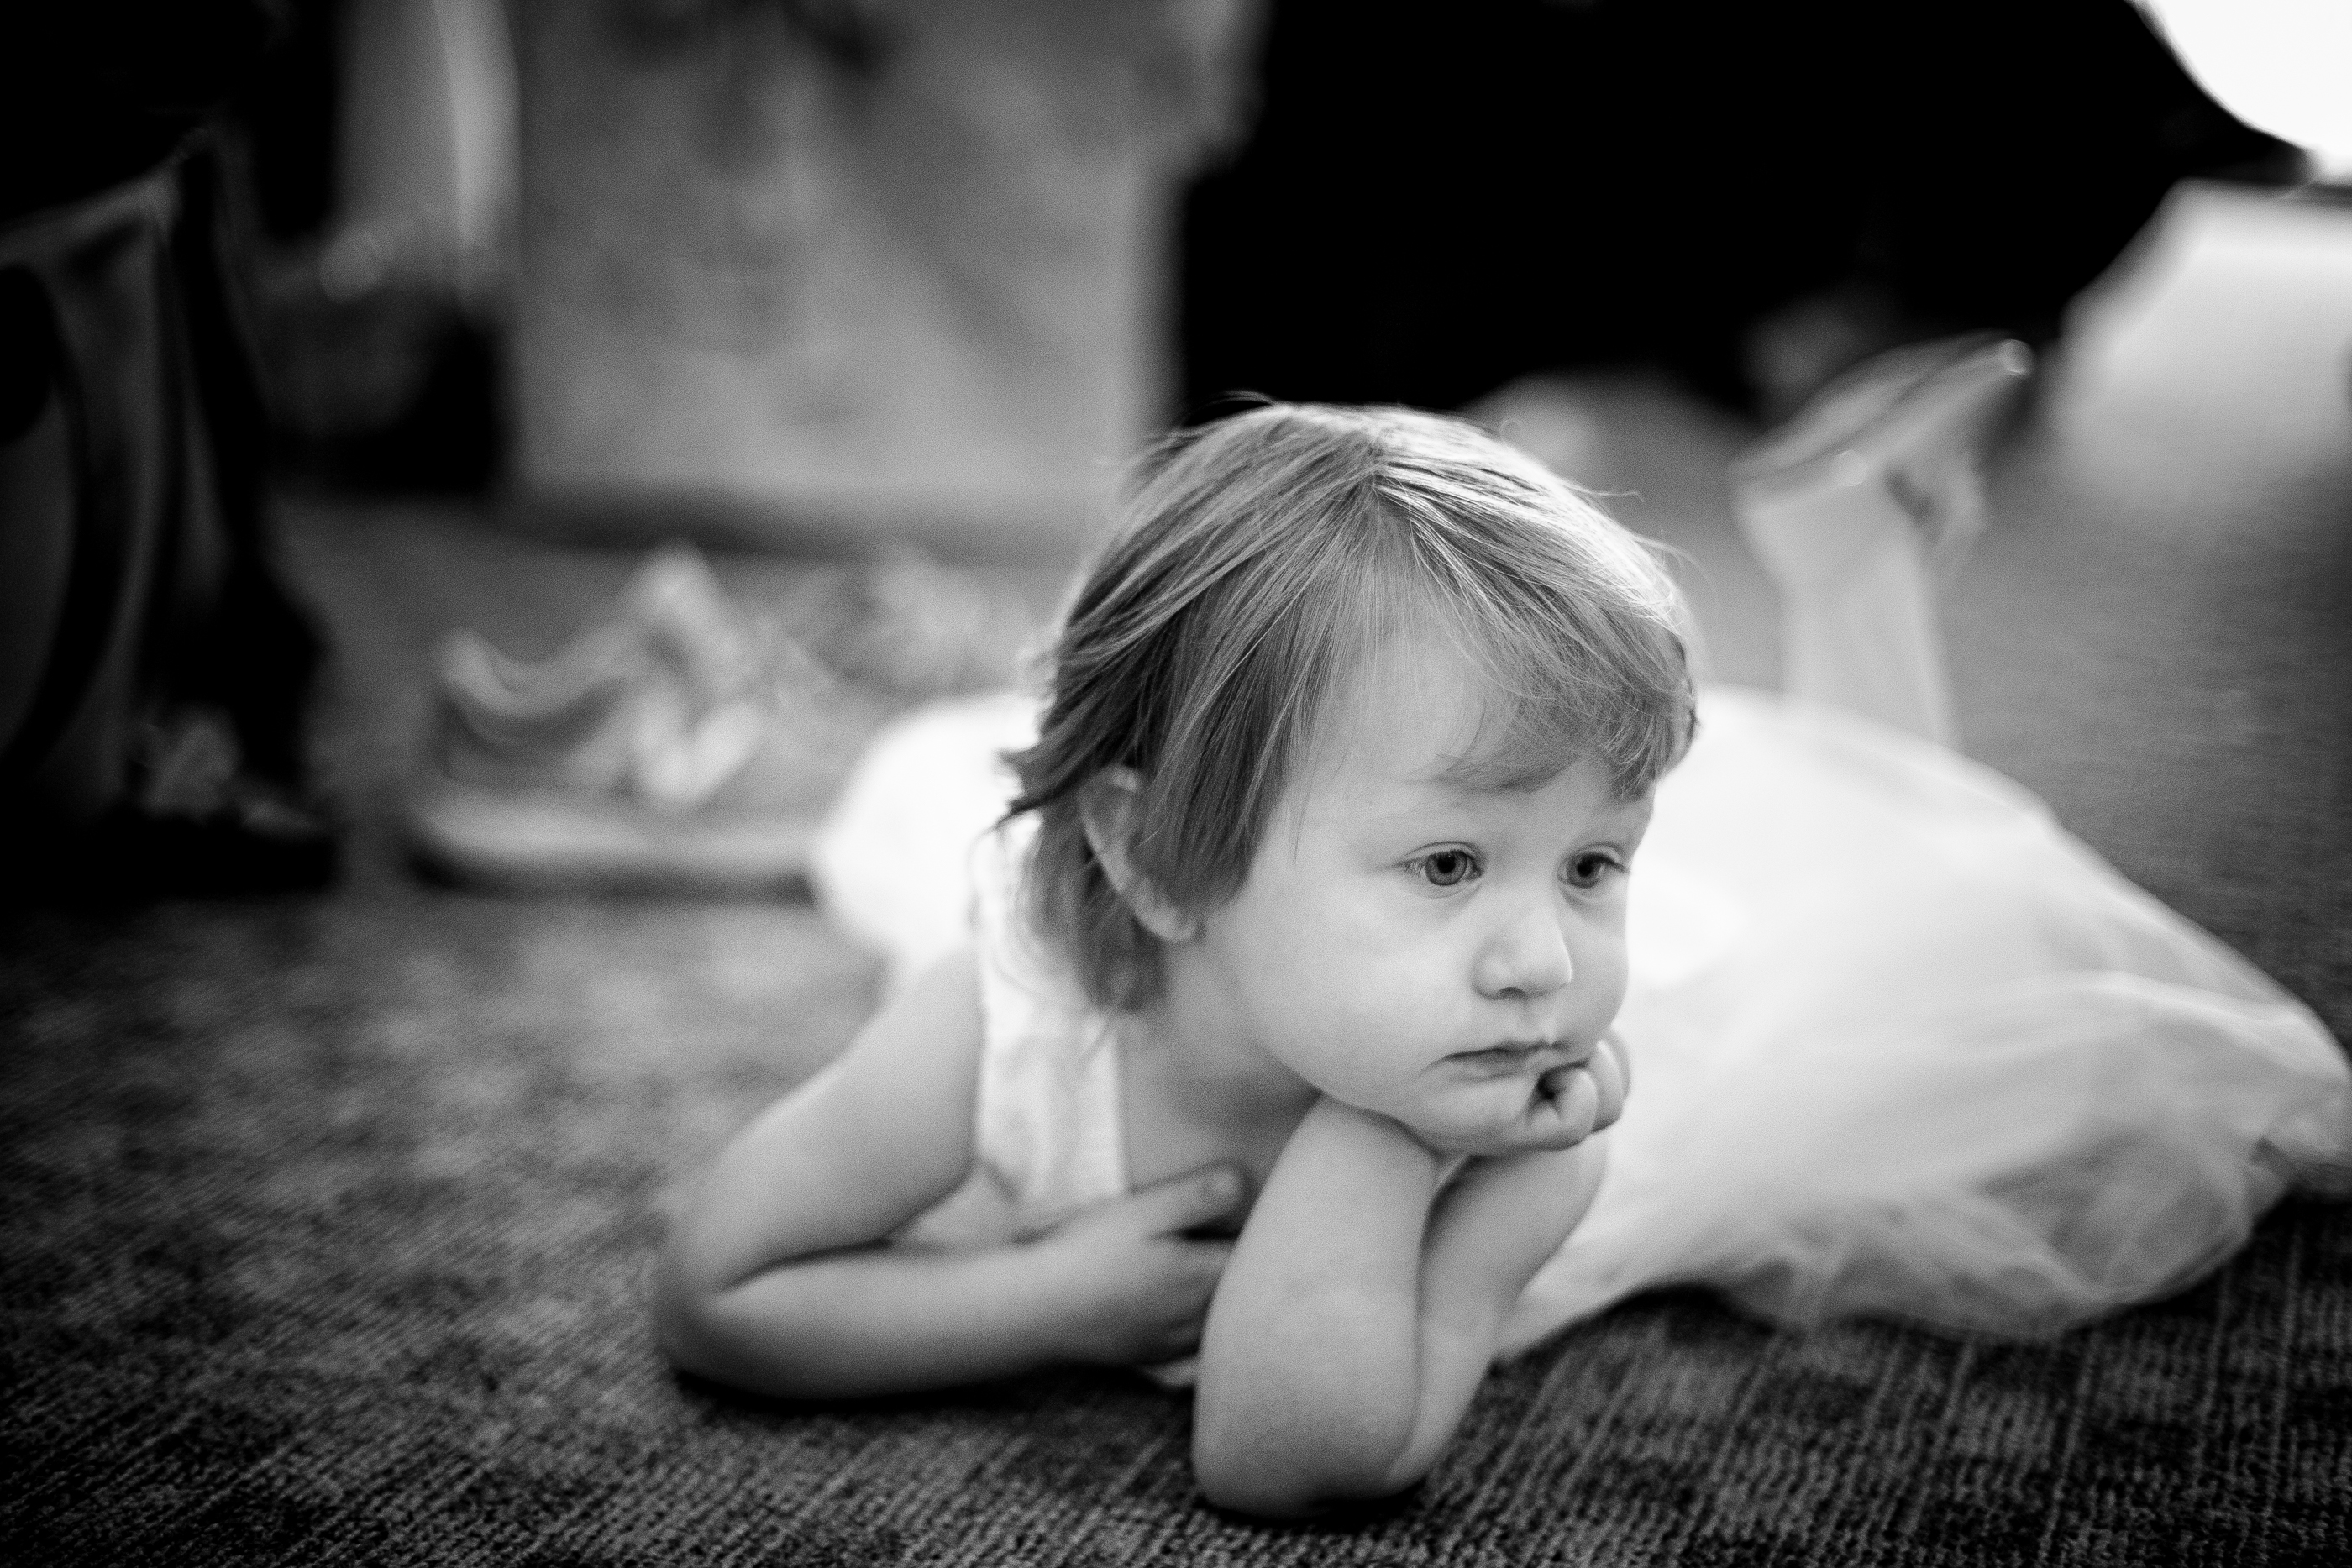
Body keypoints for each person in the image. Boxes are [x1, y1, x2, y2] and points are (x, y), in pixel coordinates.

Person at [651, 380, 2349, 1519]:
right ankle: (1848, 583)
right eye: (1447, 865)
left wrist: (1380, 1141)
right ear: (1155, 856)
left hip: (1629, 1045)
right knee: (1861, 906)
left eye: (1598, 866)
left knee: (1896, 913)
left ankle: (1858, 576)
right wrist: (1043, 1303)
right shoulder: (1000, 1028)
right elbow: (717, 1297)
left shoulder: (1535, 1135)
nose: (1541, 959)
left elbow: (1291, 1457)